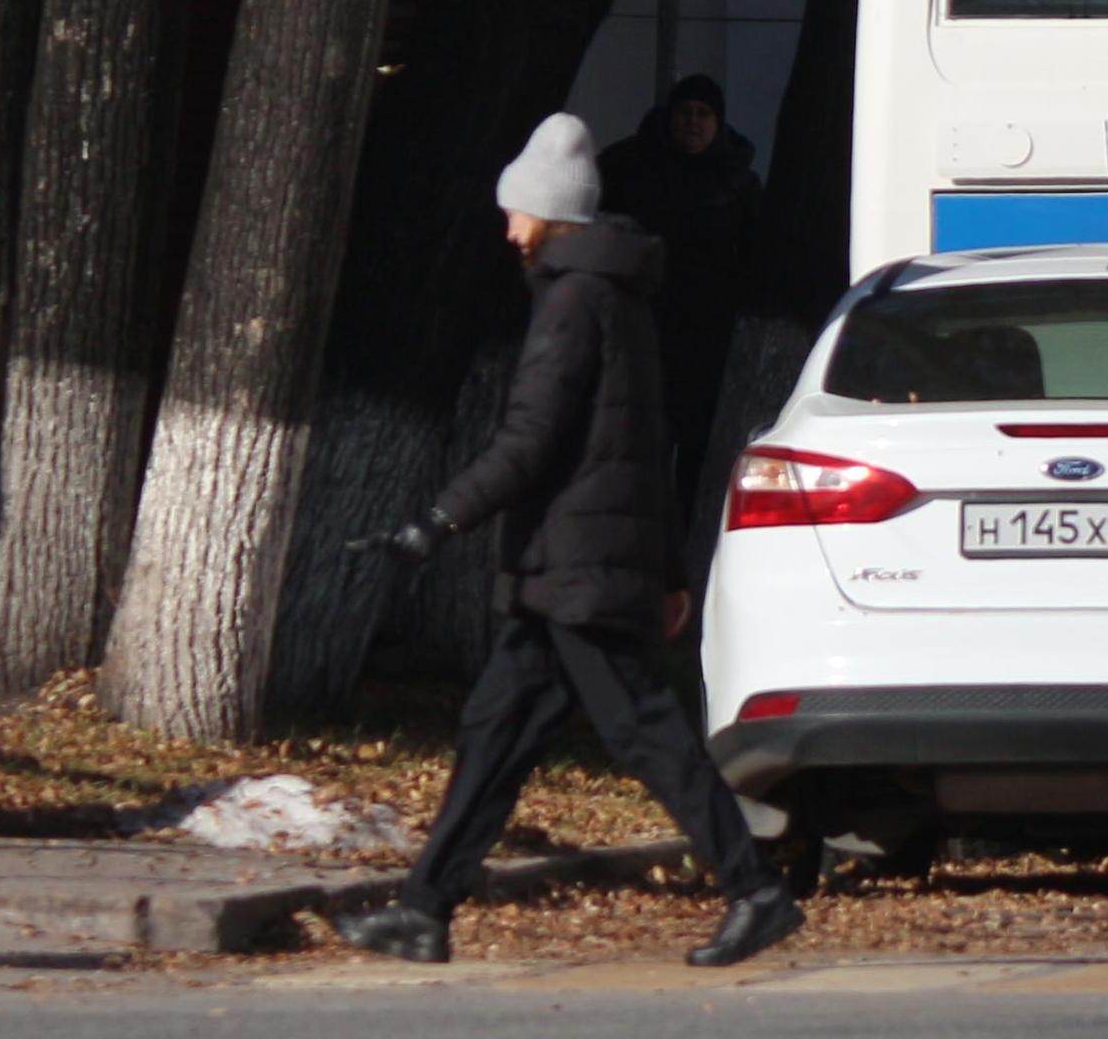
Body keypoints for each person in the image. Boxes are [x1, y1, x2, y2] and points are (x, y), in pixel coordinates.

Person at [338, 114, 799, 971]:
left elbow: (529, 439)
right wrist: (664, 567)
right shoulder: (619, 298)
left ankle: (756, 888)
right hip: (575, 566)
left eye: (518, 213)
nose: (509, 228)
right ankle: (424, 909)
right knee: (495, 728)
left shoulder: (573, 301)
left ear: (550, 216)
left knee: (645, 732)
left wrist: (436, 521)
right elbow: (640, 438)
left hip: (577, 566)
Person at [598, 75, 762, 496]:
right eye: (685, 112)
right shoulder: (628, 167)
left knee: (699, 456)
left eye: (703, 114)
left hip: (708, 343)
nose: (693, 122)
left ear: (718, 123)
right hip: (641, 334)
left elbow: (756, 255)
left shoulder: (738, 182)